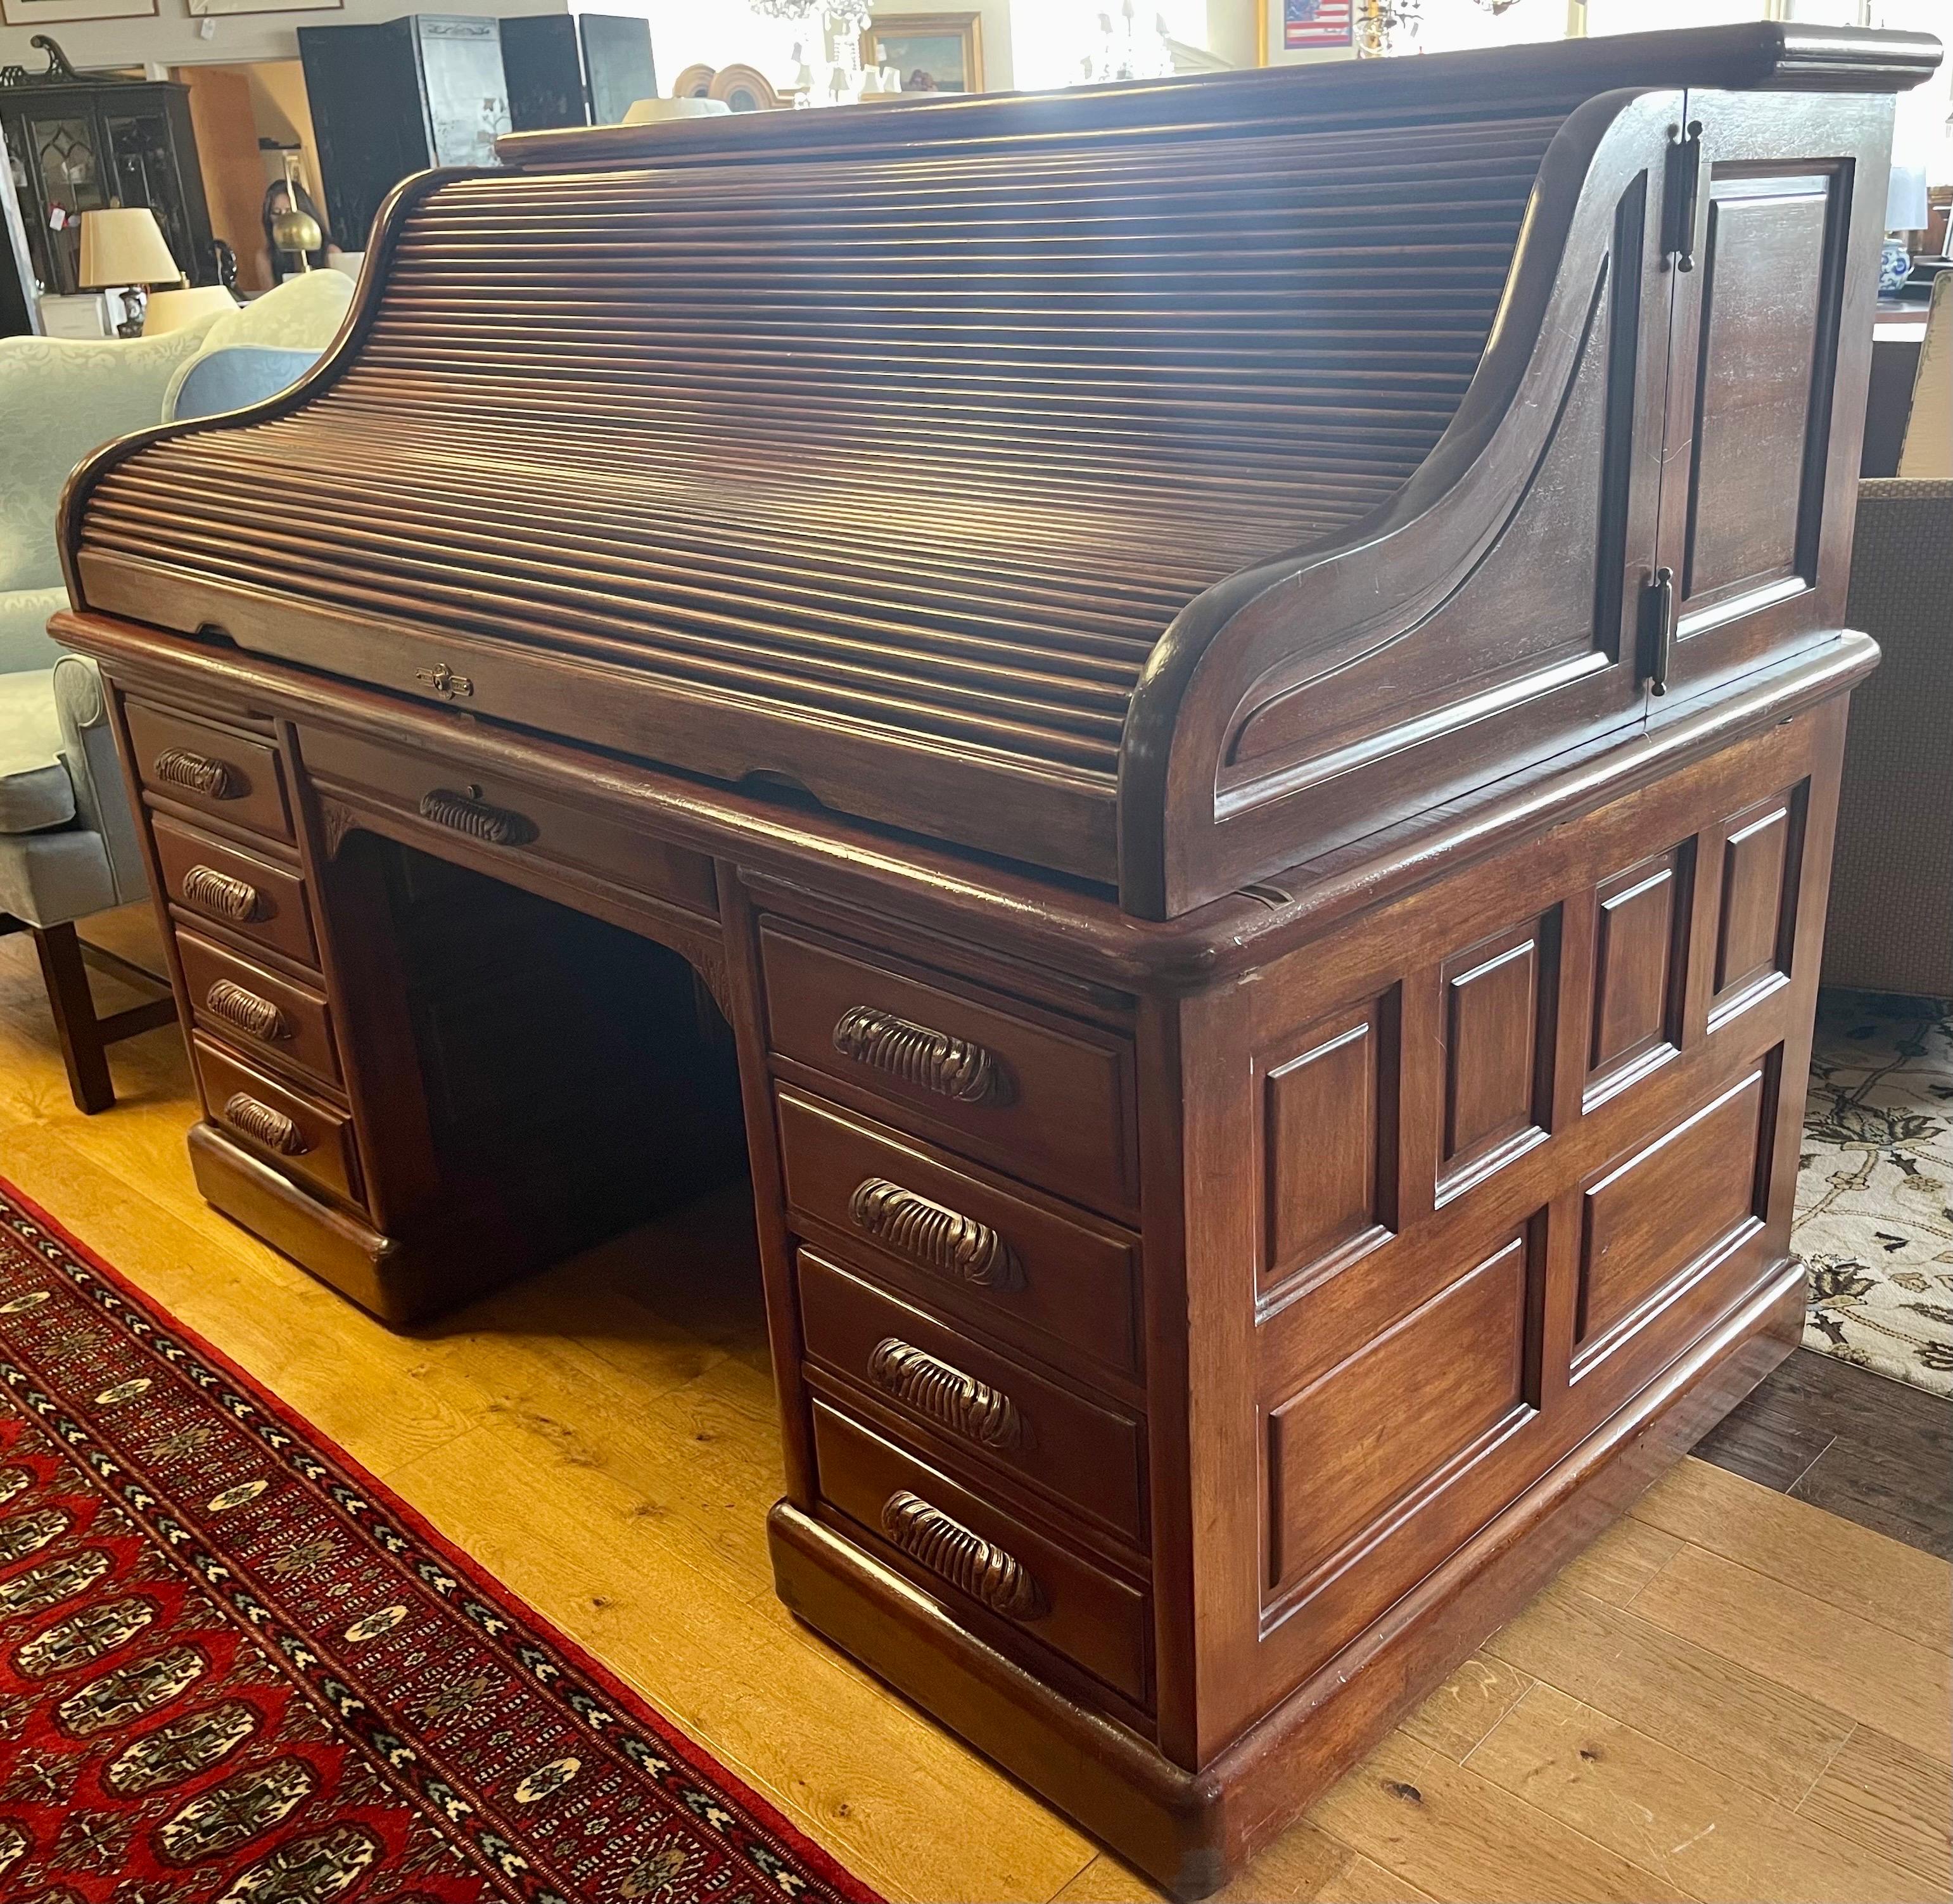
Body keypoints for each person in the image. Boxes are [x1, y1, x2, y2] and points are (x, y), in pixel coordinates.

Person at [260, 176, 333, 286]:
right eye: (276, 213)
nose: (284, 219)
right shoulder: (266, 257)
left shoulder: (330, 252)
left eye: (289, 212)